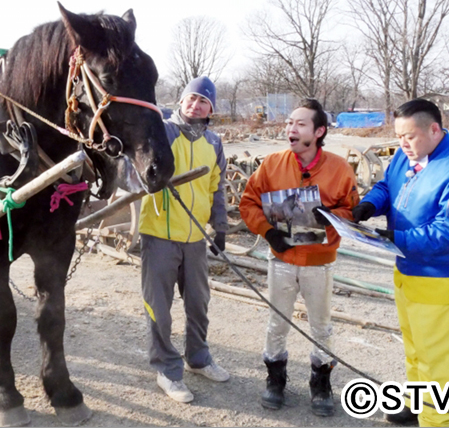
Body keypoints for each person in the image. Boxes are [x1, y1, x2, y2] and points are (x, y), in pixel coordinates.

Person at [351, 99, 449, 428]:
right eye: (398, 137)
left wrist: (394, 238)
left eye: (410, 136)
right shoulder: (406, 155)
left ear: (434, 129)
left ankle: (436, 421)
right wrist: (368, 206)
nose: (403, 145)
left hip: (439, 277)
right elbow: (387, 187)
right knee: (415, 346)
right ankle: (416, 403)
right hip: (406, 270)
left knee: (438, 357)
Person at [239, 98, 360, 416]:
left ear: (319, 131)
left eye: (300, 123)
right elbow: (249, 202)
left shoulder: (339, 169)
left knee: (322, 326)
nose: (291, 128)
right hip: (281, 261)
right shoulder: (272, 164)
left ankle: (321, 383)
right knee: (276, 323)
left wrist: (330, 218)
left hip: (318, 263)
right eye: (289, 122)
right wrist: (268, 232)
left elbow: (351, 210)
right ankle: (275, 379)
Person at [139, 76, 230, 403]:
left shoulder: (214, 143)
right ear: (181, 101)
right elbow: (135, 169)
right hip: (159, 235)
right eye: (191, 98)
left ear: (210, 108)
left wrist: (219, 227)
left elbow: (216, 187)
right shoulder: (162, 132)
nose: (196, 105)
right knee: (159, 309)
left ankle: (198, 358)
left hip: (194, 239)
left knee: (198, 304)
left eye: (203, 101)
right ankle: (167, 369)